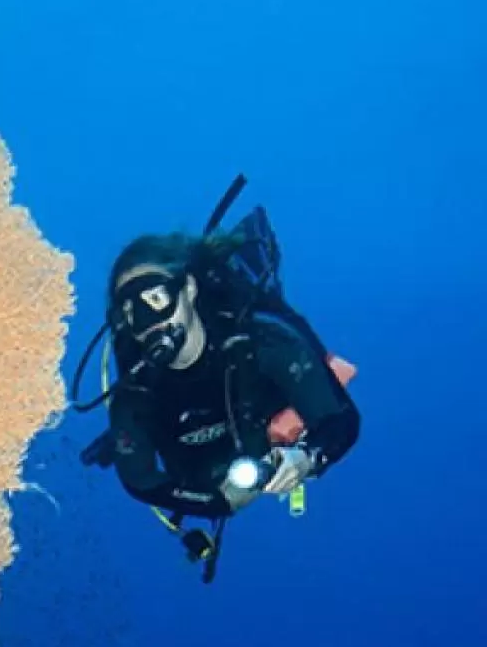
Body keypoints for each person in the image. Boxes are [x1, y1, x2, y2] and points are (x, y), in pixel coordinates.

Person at [73, 185, 361, 579]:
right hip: (202, 473)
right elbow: (140, 480)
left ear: (188, 289)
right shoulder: (136, 392)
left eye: (155, 299)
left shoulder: (262, 343)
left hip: (270, 433)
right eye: (132, 313)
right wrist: (216, 504)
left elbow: (342, 420)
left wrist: (307, 458)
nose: (150, 321)